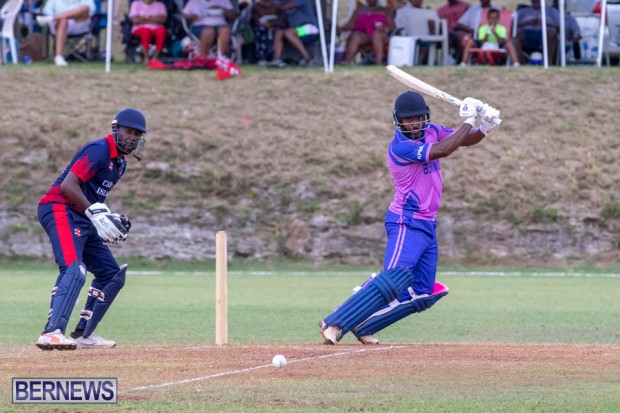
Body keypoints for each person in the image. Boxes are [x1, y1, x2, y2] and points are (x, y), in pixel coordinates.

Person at [318, 92, 500, 345]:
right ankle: (335, 322)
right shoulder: (400, 147)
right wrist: (469, 120)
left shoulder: (433, 131)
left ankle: (366, 325)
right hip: (407, 221)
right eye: (408, 119)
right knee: (395, 277)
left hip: (427, 223)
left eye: (418, 118)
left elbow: (463, 140)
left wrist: (485, 126)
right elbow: (444, 150)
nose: (414, 123)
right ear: (399, 121)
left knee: (423, 291)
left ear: (426, 117)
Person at [35, 109, 147, 350]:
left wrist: (106, 218)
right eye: (128, 132)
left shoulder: (120, 164)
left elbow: (93, 196)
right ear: (116, 130)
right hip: (59, 207)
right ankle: (51, 333)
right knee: (74, 268)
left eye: (137, 135)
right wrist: (95, 214)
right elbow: (68, 186)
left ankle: (83, 334)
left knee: (111, 274)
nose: (132, 138)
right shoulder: (99, 150)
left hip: (82, 216)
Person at [35, 0, 96, 66]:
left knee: (85, 8)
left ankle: (53, 18)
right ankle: (58, 57)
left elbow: (91, 10)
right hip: (59, 24)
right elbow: (46, 10)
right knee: (63, 20)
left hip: (79, 25)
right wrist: (60, 17)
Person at [336, 0, 395, 66]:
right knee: (355, 36)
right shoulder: (359, 10)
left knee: (376, 35)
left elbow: (392, 27)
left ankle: (378, 62)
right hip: (364, 35)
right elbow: (350, 25)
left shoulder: (385, 10)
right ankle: (347, 61)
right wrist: (341, 28)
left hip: (380, 35)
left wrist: (384, 28)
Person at [267, 0, 319, 68]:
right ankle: (277, 60)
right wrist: (270, 23)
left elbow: (286, 7)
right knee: (279, 32)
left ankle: (308, 59)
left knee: (288, 33)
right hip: (297, 30)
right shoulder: (283, 5)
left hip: (310, 28)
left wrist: (273, 6)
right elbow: (281, 18)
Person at [515, 0, 560, 65]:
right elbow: (515, 26)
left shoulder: (552, 11)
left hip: (545, 33)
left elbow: (559, 26)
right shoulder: (522, 11)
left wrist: (544, 23)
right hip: (526, 34)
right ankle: (517, 63)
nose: (536, 1)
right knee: (517, 33)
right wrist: (528, 23)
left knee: (552, 32)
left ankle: (548, 63)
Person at [393, 0, 438, 65]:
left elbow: (433, 24)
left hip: (425, 37)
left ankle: (419, 62)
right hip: (408, 37)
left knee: (426, 42)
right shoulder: (402, 11)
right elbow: (399, 25)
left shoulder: (428, 11)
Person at [128, 0, 168, 67]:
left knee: (161, 31)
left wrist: (144, 18)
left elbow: (163, 19)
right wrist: (153, 18)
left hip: (156, 28)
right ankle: (146, 57)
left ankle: (155, 58)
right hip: (140, 29)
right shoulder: (136, 4)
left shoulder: (160, 5)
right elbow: (135, 20)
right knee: (145, 31)